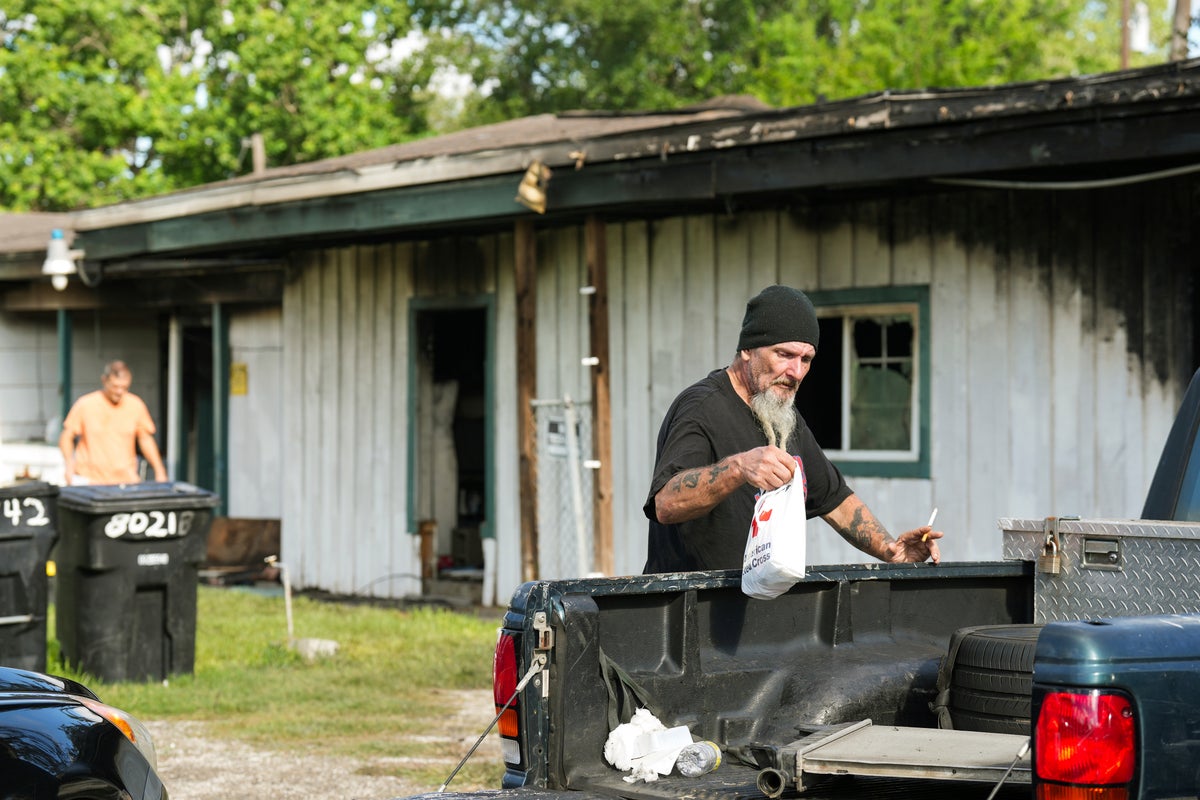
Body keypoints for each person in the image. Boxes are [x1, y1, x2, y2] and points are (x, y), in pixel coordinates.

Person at [643, 285, 942, 573]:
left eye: (806, 359)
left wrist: (891, 549)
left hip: (759, 608)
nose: (796, 372)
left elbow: (834, 499)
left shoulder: (782, 414)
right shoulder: (701, 407)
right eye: (784, 355)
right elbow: (665, 504)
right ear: (747, 348)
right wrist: (737, 468)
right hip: (689, 612)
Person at [59, 360, 168, 486]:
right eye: (115, 386)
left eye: (125, 387)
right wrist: (68, 464)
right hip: (90, 481)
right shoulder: (86, 404)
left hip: (126, 481)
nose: (120, 392)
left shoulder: (135, 405)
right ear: (104, 381)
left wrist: (160, 470)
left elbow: (145, 439)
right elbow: (67, 436)